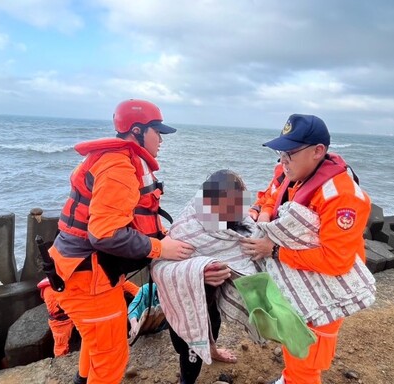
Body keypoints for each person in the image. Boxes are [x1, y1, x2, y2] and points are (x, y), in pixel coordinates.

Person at [48, 99, 195, 384]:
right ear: (138, 131)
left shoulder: (115, 159)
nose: (161, 139)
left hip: (84, 272)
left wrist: (161, 236)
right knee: (112, 358)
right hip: (88, 281)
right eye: (157, 131)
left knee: (95, 342)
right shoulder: (119, 166)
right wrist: (159, 248)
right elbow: (104, 233)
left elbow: (125, 219)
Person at [240, 114, 372, 384]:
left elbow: (336, 261)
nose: (283, 160)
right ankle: (289, 377)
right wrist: (263, 213)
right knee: (291, 329)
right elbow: (270, 194)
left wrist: (273, 251)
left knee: (307, 351)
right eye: (281, 152)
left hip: (328, 283)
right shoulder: (289, 171)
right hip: (296, 273)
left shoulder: (341, 197)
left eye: (290, 152)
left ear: (318, 151)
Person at [152, 169, 255, 384]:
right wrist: (199, 271)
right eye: (234, 201)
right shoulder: (189, 227)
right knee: (189, 346)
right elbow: (161, 267)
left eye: (240, 200)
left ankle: (213, 350)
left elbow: (245, 246)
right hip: (186, 300)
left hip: (210, 297)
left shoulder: (236, 220)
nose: (239, 207)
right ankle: (186, 381)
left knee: (213, 322)